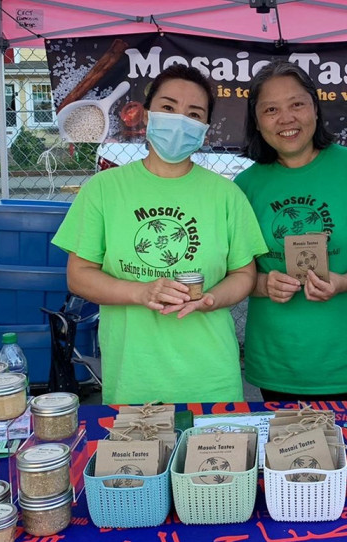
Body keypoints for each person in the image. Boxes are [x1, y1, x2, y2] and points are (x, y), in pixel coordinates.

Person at [52, 64, 267, 404]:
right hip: (134, 379)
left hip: (211, 378)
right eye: (168, 108)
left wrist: (212, 299)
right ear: (147, 116)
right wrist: (141, 293)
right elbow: (78, 277)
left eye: (193, 113)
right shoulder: (104, 189)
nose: (180, 119)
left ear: (205, 129)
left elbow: (244, 274)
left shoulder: (227, 195)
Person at [235, 61, 347, 402]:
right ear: (257, 122)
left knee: (345, 454)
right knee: (282, 453)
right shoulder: (245, 186)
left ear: (315, 110)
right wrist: (262, 284)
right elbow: (234, 268)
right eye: (271, 109)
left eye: (297, 104)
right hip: (277, 360)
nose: (286, 118)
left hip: (344, 360)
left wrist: (346, 281)